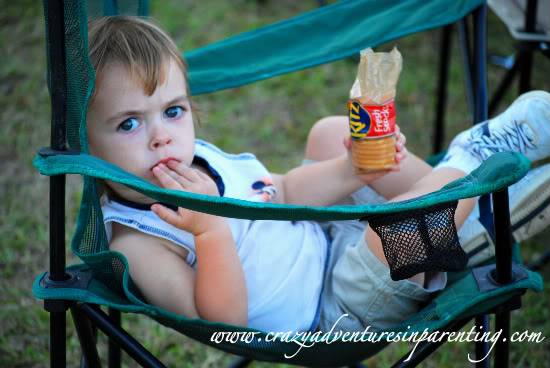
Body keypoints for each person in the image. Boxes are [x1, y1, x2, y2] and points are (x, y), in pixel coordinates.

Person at [86, 16, 550, 333]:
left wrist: (353, 169)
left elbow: (283, 191)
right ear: (86, 144)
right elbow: (224, 323)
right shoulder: (139, 242)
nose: (160, 137)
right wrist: (210, 232)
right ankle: (475, 170)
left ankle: (469, 220)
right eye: (129, 123)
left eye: (172, 111)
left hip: (329, 238)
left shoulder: (200, 159)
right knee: (395, 228)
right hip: (335, 310)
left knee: (331, 136)